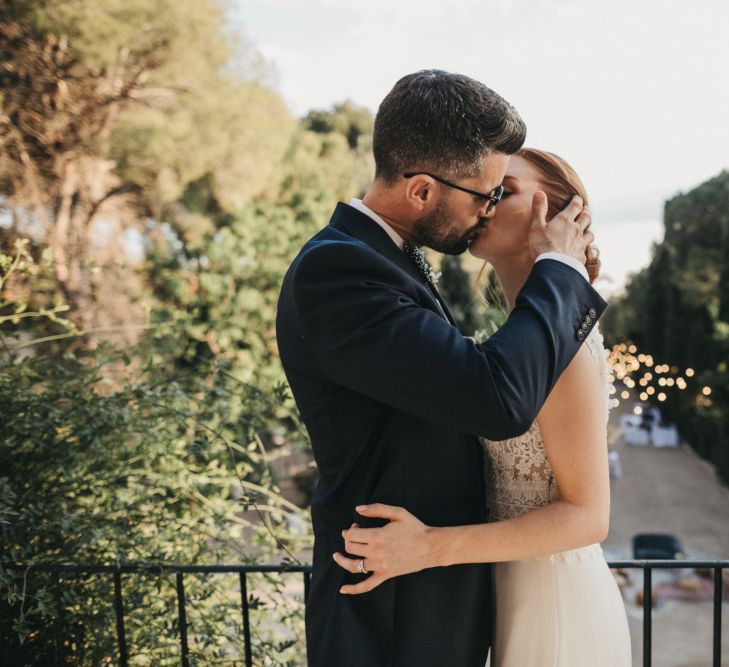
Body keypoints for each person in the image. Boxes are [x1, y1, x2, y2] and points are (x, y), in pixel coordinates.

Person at [276, 70, 605, 666]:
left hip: (439, 597)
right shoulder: (341, 272)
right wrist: (560, 271)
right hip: (387, 609)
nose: (486, 211)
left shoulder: (385, 261)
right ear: (422, 192)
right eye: (485, 194)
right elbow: (493, 399)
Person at [333, 148, 631, 666]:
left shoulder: (566, 350)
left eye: (506, 191)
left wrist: (428, 547)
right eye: (486, 190)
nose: (486, 204)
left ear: (558, 219)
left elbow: (588, 517)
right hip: (510, 594)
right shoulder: (515, 349)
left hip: (555, 606)